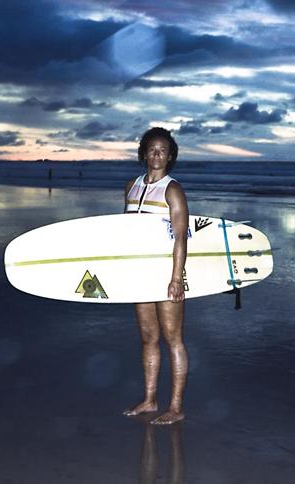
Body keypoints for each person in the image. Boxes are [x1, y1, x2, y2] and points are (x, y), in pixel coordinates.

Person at [123, 127, 189, 425]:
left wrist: (176, 278)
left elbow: (181, 238)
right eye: (151, 149)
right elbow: (125, 234)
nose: (157, 154)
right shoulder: (131, 187)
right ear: (144, 153)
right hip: (140, 273)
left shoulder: (172, 189)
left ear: (170, 155)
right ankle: (150, 400)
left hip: (166, 274)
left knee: (173, 339)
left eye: (163, 150)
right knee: (149, 338)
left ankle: (175, 407)